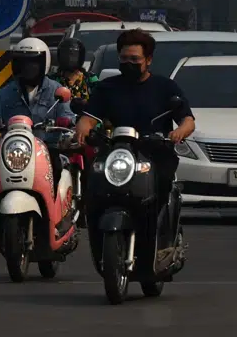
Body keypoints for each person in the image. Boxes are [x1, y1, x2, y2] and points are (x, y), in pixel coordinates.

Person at [74, 28, 195, 272]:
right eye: (124, 59)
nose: (128, 63)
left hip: (155, 154)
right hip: (115, 154)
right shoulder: (107, 88)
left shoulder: (165, 87)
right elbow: (89, 117)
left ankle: (160, 245)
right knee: (94, 185)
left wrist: (178, 133)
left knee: (156, 193)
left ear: (148, 60)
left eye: (135, 60)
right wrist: (83, 130)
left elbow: (188, 120)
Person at [0, 37, 77, 187]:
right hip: (14, 152)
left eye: (34, 62)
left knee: (55, 169)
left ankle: (52, 208)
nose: (28, 67)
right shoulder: (7, 92)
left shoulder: (56, 90)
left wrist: (66, 122)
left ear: (44, 64)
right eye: (23, 63)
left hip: (47, 150)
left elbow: (67, 115)